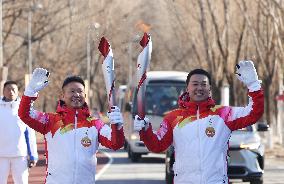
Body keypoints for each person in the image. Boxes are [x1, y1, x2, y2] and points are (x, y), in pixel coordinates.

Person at [134, 60, 264, 184]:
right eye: (195, 84)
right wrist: (146, 131)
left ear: (210, 89)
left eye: (203, 84)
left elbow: (253, 113)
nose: (199, 88)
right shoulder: (173, 118)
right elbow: (157, 145)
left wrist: (253, 86)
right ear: (188, 88)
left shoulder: (223, 114)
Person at [18, 68, 125, 183]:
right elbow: (25, 114)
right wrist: (30, 92)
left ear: (85, 95)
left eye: (80, 91)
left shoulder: (95, 124)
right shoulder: (51, 121)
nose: (77, 94)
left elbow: (116, 144)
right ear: (63, 96)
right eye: (72, 91)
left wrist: (117, 126)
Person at [0, 81, 38, 184]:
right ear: (3, 91)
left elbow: (30, 134)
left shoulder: (24, 108)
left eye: (13, 89)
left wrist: (33, 154)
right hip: (1, 155)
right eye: (8, 89)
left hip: (20, 155)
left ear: (18, 92)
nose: (11, 92)